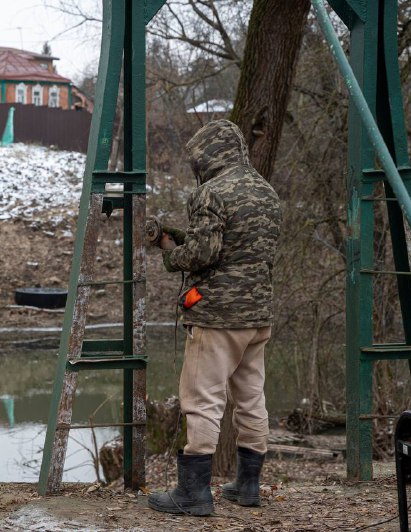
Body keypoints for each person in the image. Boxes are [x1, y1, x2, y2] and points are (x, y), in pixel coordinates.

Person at [147, 119, 282, 516]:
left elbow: (205, 255)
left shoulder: (212, 192)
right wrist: (185, 236)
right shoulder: (266, 192)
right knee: (251, 398)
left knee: (201, 399)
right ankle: (248, 485)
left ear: (207, 155)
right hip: (257, 315)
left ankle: (193, 494)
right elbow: (235, 247)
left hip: (218, 316)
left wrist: (170, 254)